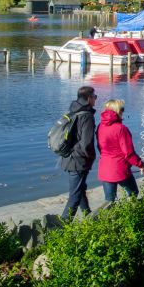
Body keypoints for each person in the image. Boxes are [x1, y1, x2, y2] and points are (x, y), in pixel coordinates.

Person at [97, 99, 144, 203]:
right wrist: (140, 164)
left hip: (105, 167)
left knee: (109, 201)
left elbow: (100, 147)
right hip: (120, 168)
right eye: (122, 109)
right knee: (133, 193)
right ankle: (131, 214)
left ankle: (110, 218)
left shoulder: (100, 126)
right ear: (117, 111)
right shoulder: (121, 129)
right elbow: (128, 153)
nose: (123, 112)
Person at [60, 85, 98, 220]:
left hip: (68, 156)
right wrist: (90, 157)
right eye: (95, 97)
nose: (96, 100)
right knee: (75, 195)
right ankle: (63, 227)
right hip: (78, 160)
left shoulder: (73, 111)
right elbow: (86, 142)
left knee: (80, 188)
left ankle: (88, 215)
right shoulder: (87, 116)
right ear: (88, 99)